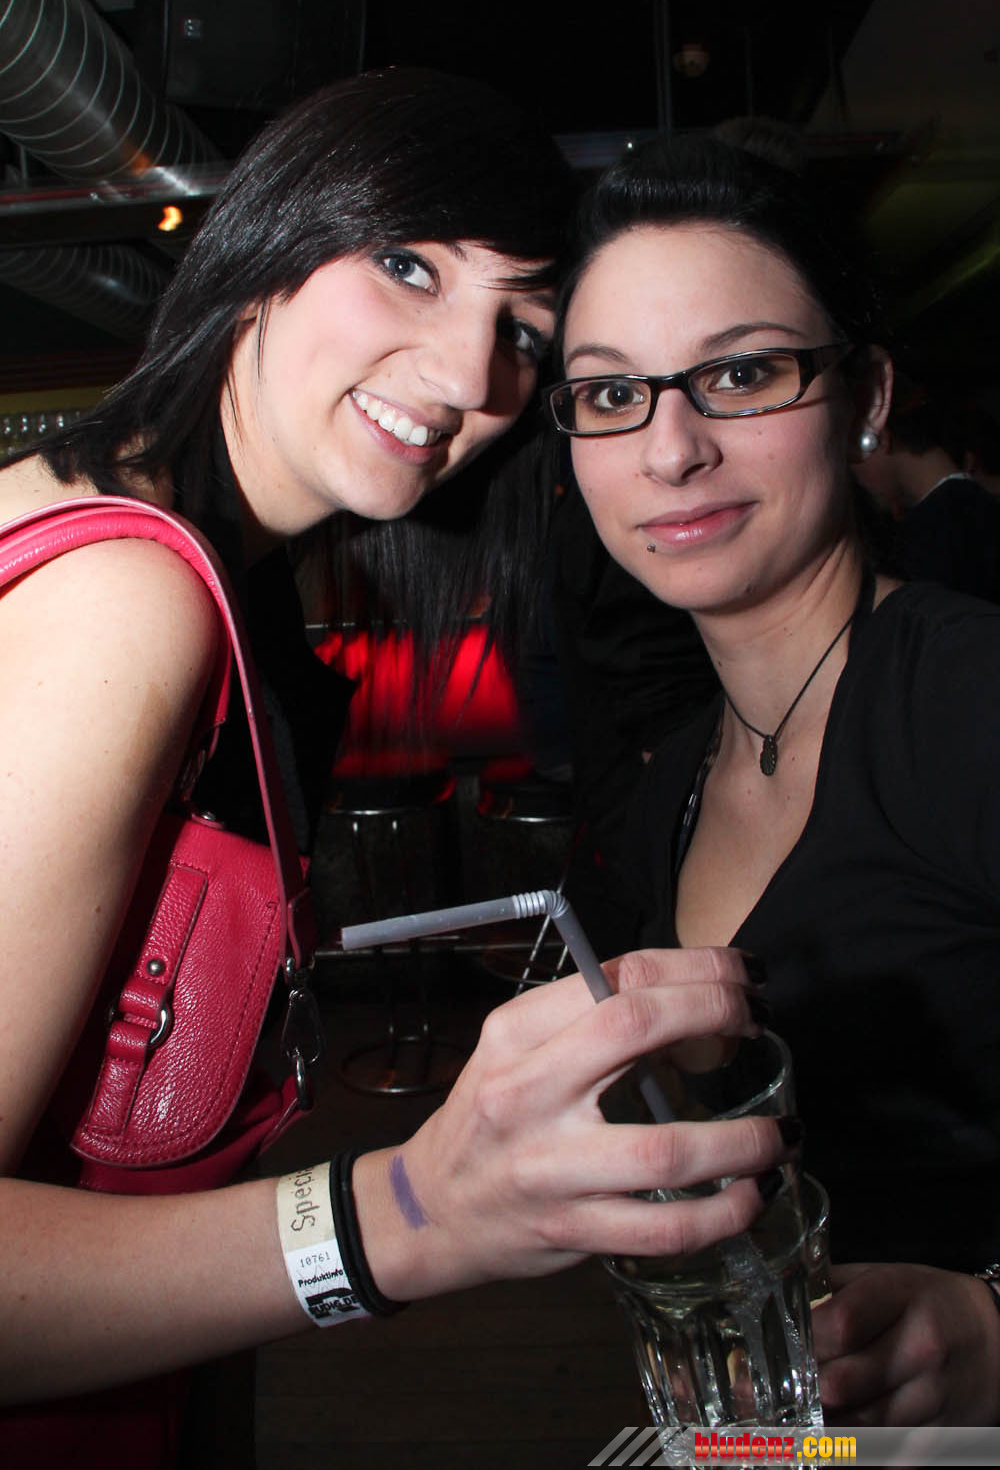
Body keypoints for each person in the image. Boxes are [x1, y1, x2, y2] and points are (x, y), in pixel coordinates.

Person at [0, 71, 790, 1462]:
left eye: (522, 332)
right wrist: (408, 1215)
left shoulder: (174, 557)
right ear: (272, 241)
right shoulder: (125, 598)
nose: (472, 377)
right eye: (409, 265)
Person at [547, 133, 1000, 1426]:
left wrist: (991, 1324)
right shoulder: (674, 786)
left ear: (867, 397)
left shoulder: (967, 702)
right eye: (611, 393)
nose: (670, 451)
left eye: (740, 373)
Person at [853, 381, 1000, 602]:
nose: (854, 476)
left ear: (880, 439)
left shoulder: (931, 537)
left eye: (853, 458)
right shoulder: (980, 507)